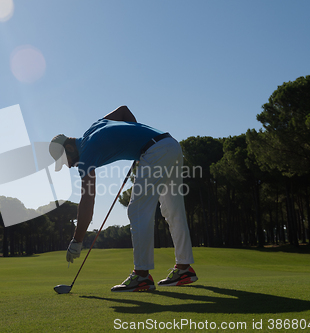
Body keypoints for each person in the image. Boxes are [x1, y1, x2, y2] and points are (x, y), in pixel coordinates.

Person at [49, 106, 198, 292]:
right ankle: (184, 269)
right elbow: (123, 111)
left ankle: (141, 276)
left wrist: (77, 240)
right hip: (170, 144)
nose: (68, 166)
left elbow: (87, 201)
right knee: (172, 209)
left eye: (65, 161)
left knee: (136, 209)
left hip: (155, 151)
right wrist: (137, 143)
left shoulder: (86, 155)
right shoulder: (94, 127)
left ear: (69, 148)